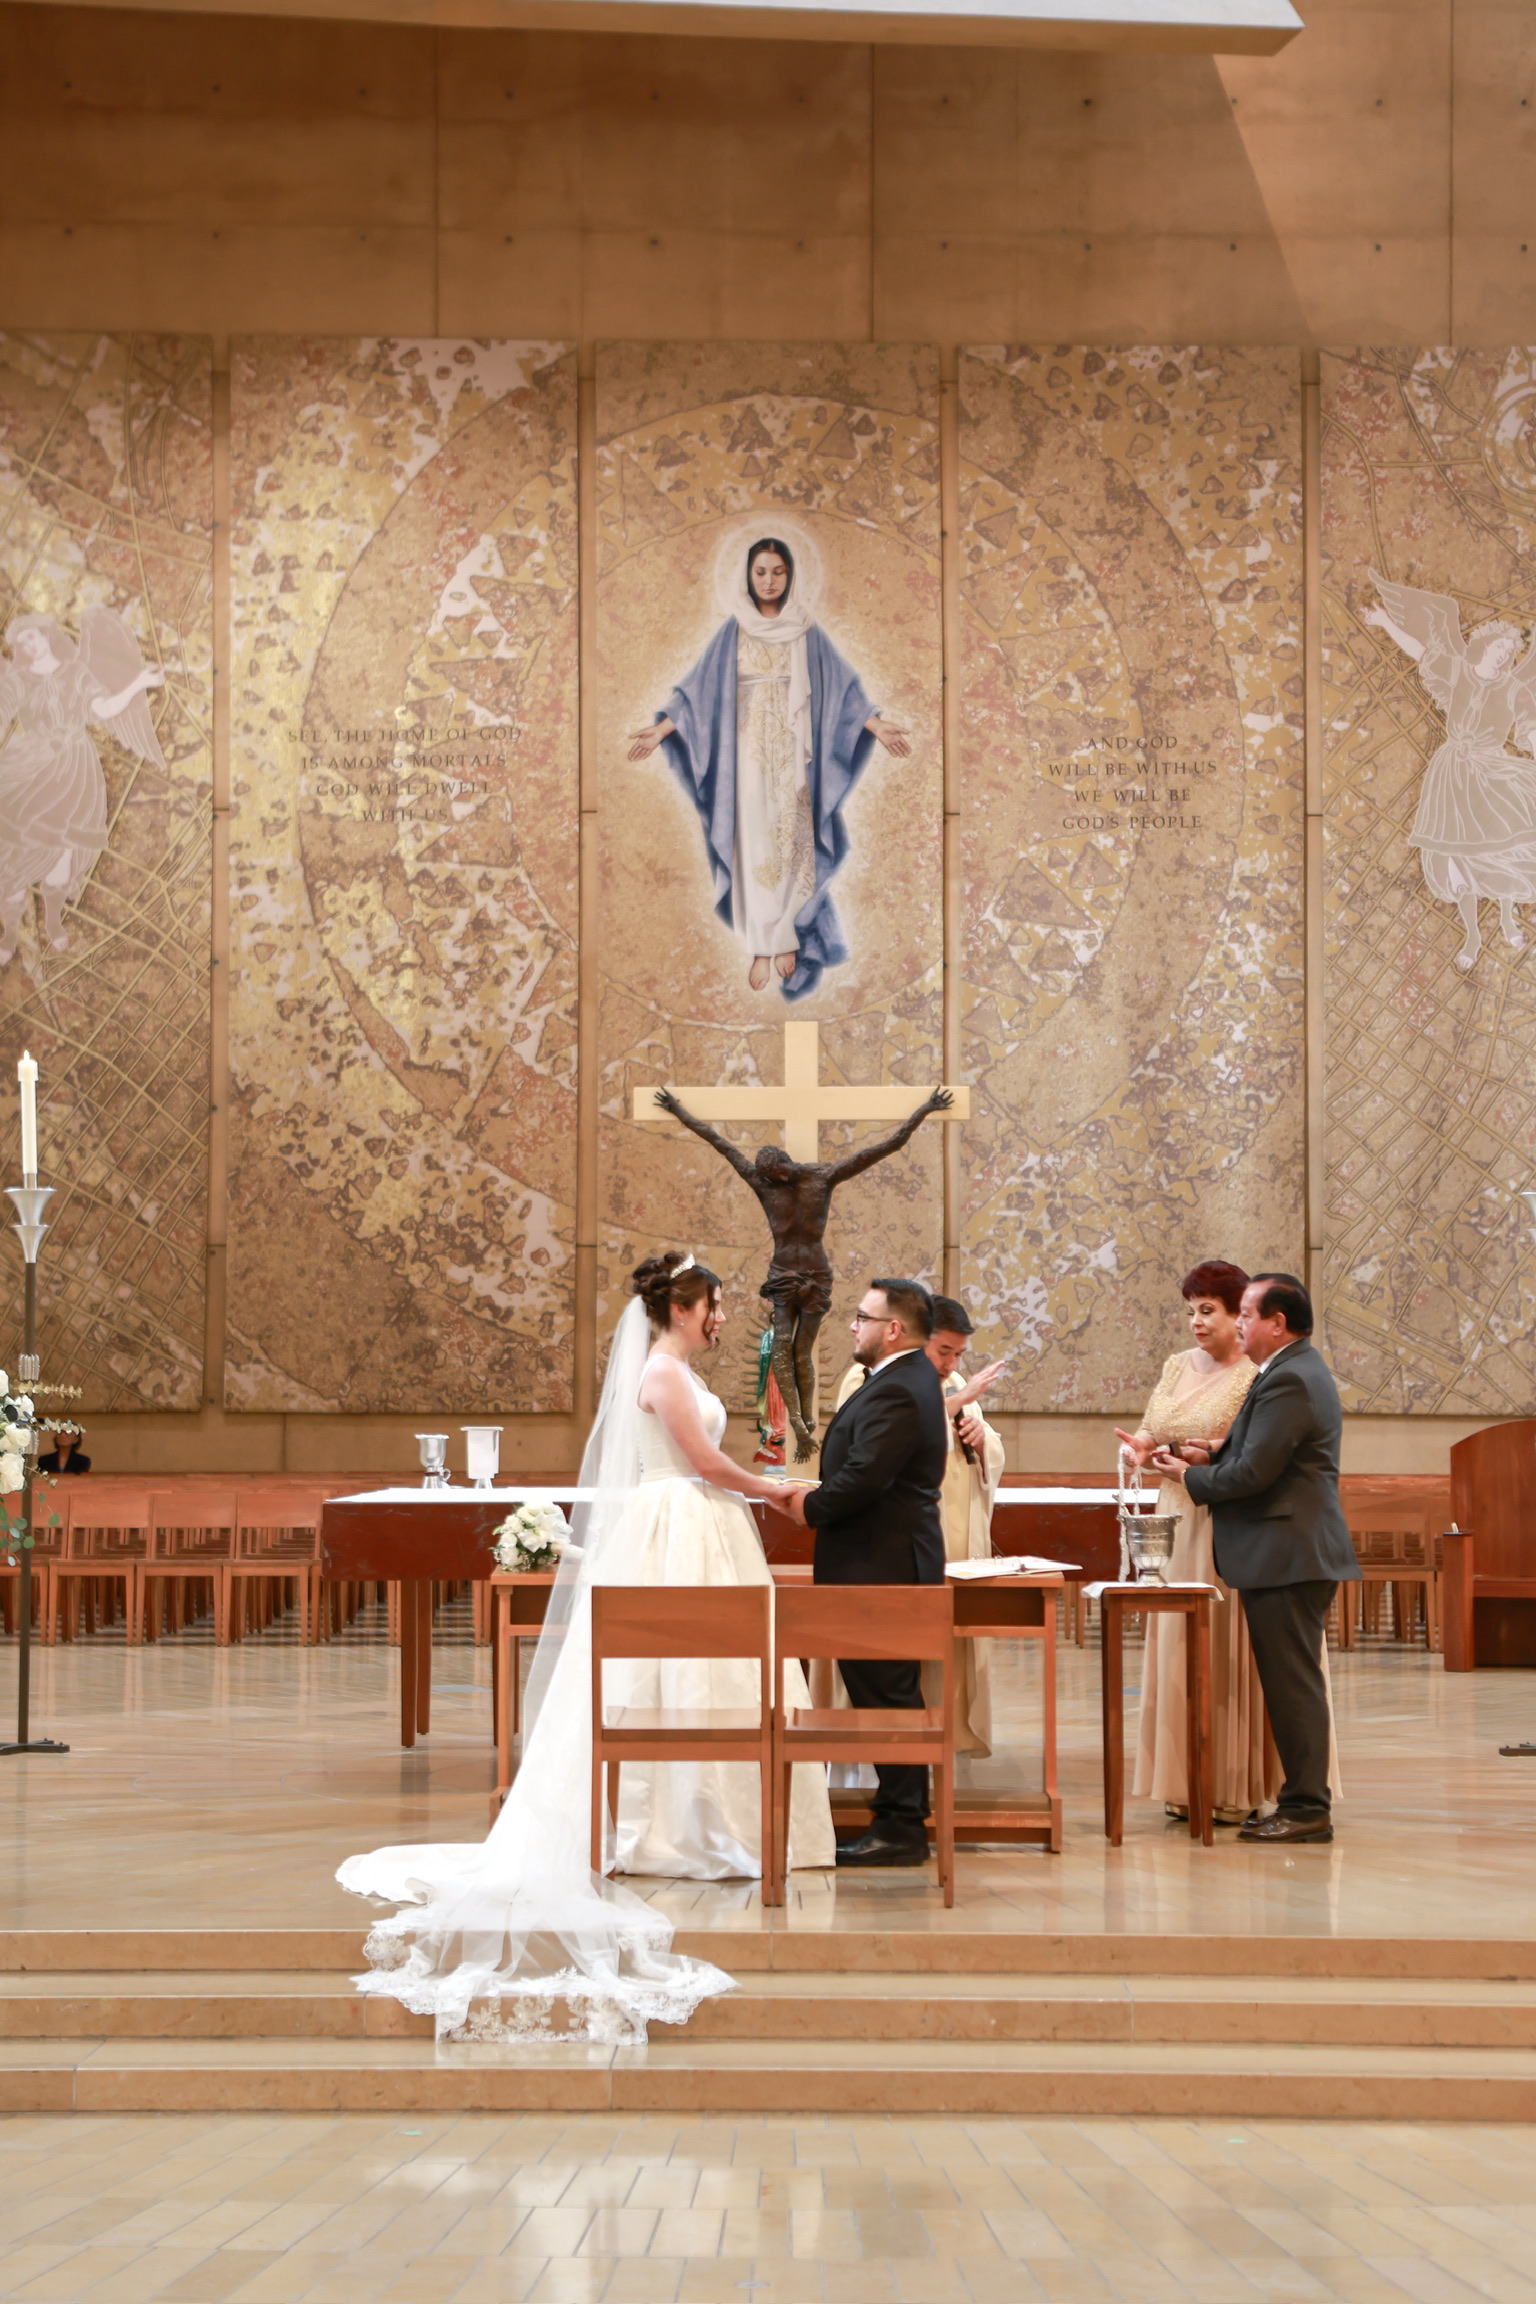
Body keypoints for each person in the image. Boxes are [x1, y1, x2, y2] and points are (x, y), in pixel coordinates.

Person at [337, 1250, 830, 2042]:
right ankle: (670, 1822)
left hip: (700, 1526)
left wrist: (758, 1485)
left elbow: (704, 1464)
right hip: (676, 1526)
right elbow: (700, 1463)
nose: (722, 1318)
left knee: (713, 1670)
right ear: (681, 1309)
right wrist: (777, 1492)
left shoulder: (679, 1372)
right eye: (714, 1306)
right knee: (671, 1667)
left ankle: (717, 1813)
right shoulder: (666, 1376)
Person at [628, 534, 910, 1000]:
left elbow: (842, 690)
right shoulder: (733, 629)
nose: (769, 580)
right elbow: (697, 691)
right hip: (745, 755)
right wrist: (660, 731)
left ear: (790, 574)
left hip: (795, 752)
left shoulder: (806, 629)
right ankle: (761, 943)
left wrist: (876, 726)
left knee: (792, 838)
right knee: (752, 843)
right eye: (761, 571)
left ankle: (786, 935)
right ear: (748, 574)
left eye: (778, 571)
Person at [1149, 1273, 1360, 1846]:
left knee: (1294, 1686)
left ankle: (1307, 1808)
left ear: (1277, 1323)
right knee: (1291, 1683)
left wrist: (1189, 1475)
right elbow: (1258, 1447)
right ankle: (1302, 1802)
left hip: (1289, 1553)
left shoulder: (1290, 1378)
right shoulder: (1286, 1371)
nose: (1239, 1324)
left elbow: (1256, 1473)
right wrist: (1209, 1450)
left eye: (1245, 1313)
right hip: (1285, 1553)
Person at [652, 1082, 951, 1459]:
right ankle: (795, 1422)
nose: (777, 1179)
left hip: (814, 1275)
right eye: (771, 1176)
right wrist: (678, 1111)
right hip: (782, 1276)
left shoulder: (821, 1177)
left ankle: (806, 1421)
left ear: (785, 1164)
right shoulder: (761, 1181)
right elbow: (719, 1142)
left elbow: (882, 1148)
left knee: (801, 1352)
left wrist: (924, 1110)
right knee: (781, 1349)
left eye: (780, 1172)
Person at [783, 1277, 948, 1866]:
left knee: (887, 1697)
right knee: (883, 1692)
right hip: (878, 1560)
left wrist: (809, 1507)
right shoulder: (902, 1379)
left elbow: (865, 1476)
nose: (853, 1326)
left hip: (882, 1566)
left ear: (892, 1329)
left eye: (862, 1316)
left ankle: (902, 1829)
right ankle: (899, 1819)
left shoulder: (902, 1386)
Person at [1115, 1260, 1284, 1825]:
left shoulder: (1254, 1375)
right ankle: (1183, 1781)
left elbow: (1248, 1451)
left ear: (1241, 1316)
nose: (1196, 1322)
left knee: (1221, 1648)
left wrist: (1203, 1455)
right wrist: (1137, 1448)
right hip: (1174, 1515)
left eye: (1207, 1310)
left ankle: (1230, 1783)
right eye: (1191, 1311)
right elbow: (1152, 1425)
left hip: (1222, 1519)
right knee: (1176, 1647)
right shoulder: (1175, 1366)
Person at [831, 1293, 1005, 1754]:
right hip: (892, 1547)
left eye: (958, 1354)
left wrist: (981, 1436)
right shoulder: (867, 1377)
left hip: (951, 1540)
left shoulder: (955, 1382)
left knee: (935, 1657)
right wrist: (953, 1406)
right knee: (892, 1667)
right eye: (943, 1351)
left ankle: (939, 1744)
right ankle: (894, 1758)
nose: (950, 1364)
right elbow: (876, 1450)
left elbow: (979, 1459)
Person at [1365, 572, 1536, 968]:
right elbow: (1421, 651)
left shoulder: (1514, 687)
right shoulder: (1456, 670)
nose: (1502, 655)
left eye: (1509, 651)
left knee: (1502, 844)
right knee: (1458, 854)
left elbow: (1529, 728)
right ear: (1483, 645)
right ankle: (1473, 934)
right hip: (1453, 771)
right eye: (1498, 646)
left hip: (1495, 768)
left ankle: (1508, 915)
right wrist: (1386, 622)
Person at [1, 611, 165, 961]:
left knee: (62, 848)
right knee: (15, 845)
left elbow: (103, 708)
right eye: (22, 641)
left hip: (71, 769)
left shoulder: (76, 672)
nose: (30, 644)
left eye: (34, 635)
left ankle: (53, 922)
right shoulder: (18, 678)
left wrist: (138, 683)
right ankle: (10, 933)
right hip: (30, 764)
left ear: (48, 634)